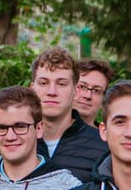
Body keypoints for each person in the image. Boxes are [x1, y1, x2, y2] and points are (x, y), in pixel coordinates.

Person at [31, 47, 110, 175]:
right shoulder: (15, 140)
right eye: (43, 83)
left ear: (75, 91)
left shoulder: (103, 147)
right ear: (32, 89)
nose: (52, 92)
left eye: (61, 84)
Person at [74, 59, 113, 126]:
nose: (88, 96)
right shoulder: (51, 134)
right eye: (82, 87)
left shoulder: (107, 136)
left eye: (96, 91)